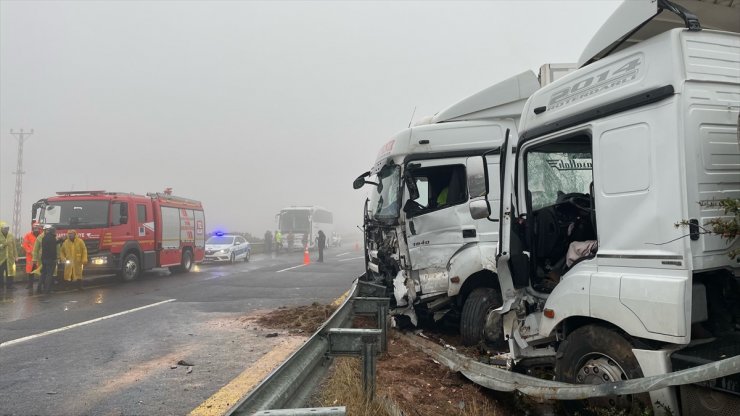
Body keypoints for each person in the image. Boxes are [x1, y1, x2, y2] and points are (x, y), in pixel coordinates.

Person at [39, 226, 59, 294]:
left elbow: (51, 245)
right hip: (50, 259)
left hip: (44, 258)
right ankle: (47, 289)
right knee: (49, 275)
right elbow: (52, 250)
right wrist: (55, 259)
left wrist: (60, 240)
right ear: (53, 231)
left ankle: (38, 288)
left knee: (43, 274)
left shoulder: (45, 237)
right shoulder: (52, 238)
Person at [22, 222, 42, 289]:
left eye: (37, 228)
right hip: (31, 257)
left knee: (41, 271)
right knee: (31, 271)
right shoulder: (28, 235)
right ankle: (30, 285)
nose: (36, 229)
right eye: (35, 228)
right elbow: (25, 245)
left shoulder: (42, 235)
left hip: (40, 256)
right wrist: (30, 251)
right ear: (33, 228)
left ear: (39, 228)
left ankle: (41, 284)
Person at [0, 221, 17, 291]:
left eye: (7, 228)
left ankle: (10, 285)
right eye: (5, 229)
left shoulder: (11, 236)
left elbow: (14, 247)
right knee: (0, 273)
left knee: (10, 272)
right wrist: (3, 245)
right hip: (1, 258)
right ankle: (1, 286)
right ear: (1, 229)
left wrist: (16, 256)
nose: (6, 230)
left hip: (10, 258)